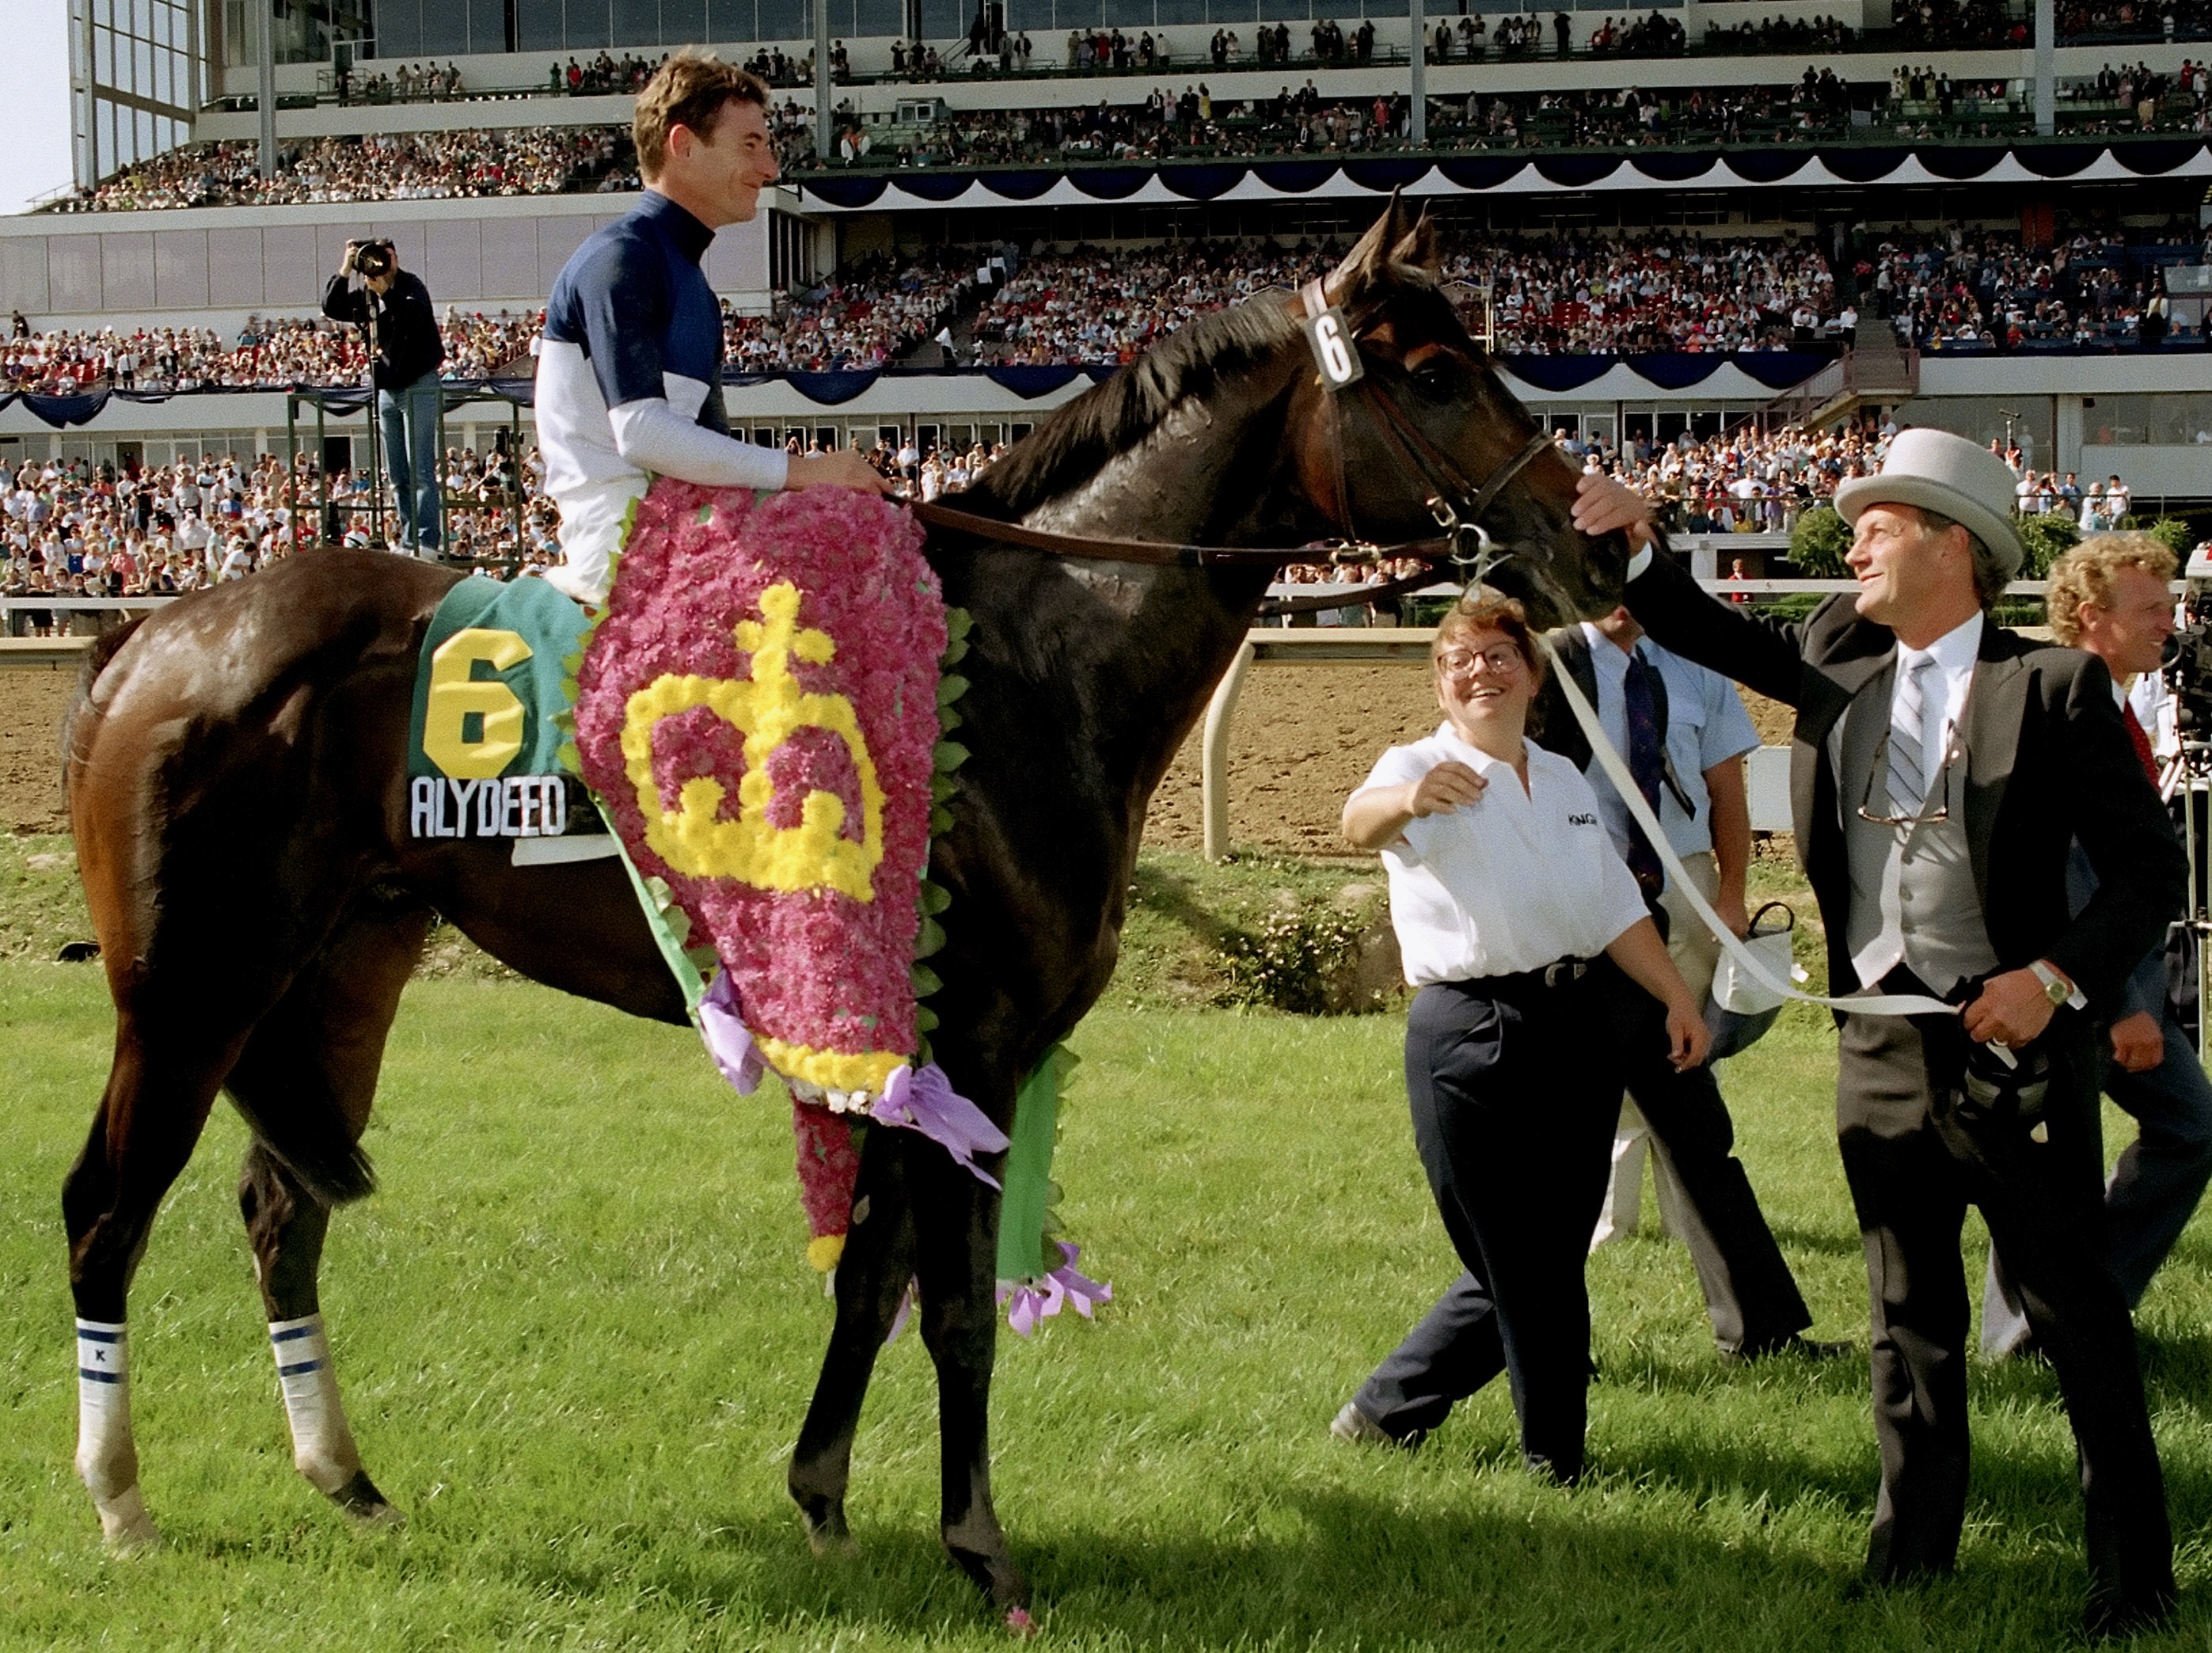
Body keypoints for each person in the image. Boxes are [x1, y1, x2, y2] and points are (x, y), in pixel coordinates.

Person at [1574, 428, 2183, 1636]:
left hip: (2013, 1055)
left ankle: (2134, 1574)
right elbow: (1712, 633)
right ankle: (1911, 1552)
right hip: (1877, 1051)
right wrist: (1633, 540)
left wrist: (2052, 980)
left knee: (2071, 1316)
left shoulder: (2052, 689)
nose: (1849, 543)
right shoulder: (1837, 666)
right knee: (1904, 1321)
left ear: (1952, 547)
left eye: (1879, 526)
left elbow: (2144, 872)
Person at [1330, 588, 1711, 1484]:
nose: (1479, 671)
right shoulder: (1418, 765)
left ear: (1534, 676)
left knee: (1543, 1252)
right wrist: (1410, 800)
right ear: (1439, 683)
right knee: (1513, 1256)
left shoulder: (1568, 778)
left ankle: (1387, 1411)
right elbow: (1356, 823)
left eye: (1499, 655)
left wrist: (1675, 1001)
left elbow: (1617, 908)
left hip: (1578, 1026)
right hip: (1470, 1032)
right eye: (1458, 659)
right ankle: (1557, 1466)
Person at [1537, 608, 1830, 1361]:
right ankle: (1539, 1312)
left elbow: (1727, 789)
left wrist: (1730, 897)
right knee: (1584, 1104)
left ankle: (1753, 1320)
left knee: (1686, 1089)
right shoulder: (1548, 663)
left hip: (1681, 891)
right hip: (1583, 902)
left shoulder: (1695, 663)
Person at [1974, 535, 2212, 1355]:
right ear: (2088, 616)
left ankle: (2075, 1312)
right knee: (2035, 1159)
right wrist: (2121, 1004)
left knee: (2186, 1130)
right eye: (2151, 609)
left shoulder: (2113, 705)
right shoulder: (2056, 707)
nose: (2168, 625)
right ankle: (2033, 1336)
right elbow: (2073, 871)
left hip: (2108, 977)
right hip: (2071, 987)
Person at [535, 52, 884, 608]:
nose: (770, 168)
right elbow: (642, 434)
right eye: (751, 145)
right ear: (684, 145)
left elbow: (711, 448)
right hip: (618, 546)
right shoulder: (621, 259)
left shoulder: (689, 281)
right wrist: (805, 471)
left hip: (687, 520)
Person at [322, 238, 446, 556]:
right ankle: (408, 540)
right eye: (372, 259)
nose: (379, 265)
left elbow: (414, 317)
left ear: (395, 257)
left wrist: (386, 293)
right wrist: (346, 267)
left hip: (419, 382)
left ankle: (426, 542)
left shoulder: (410, 285)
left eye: (386, 256)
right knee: (398, 475)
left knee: (420, 470)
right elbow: (331, 307)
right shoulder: (366, 294)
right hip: (387, 389)